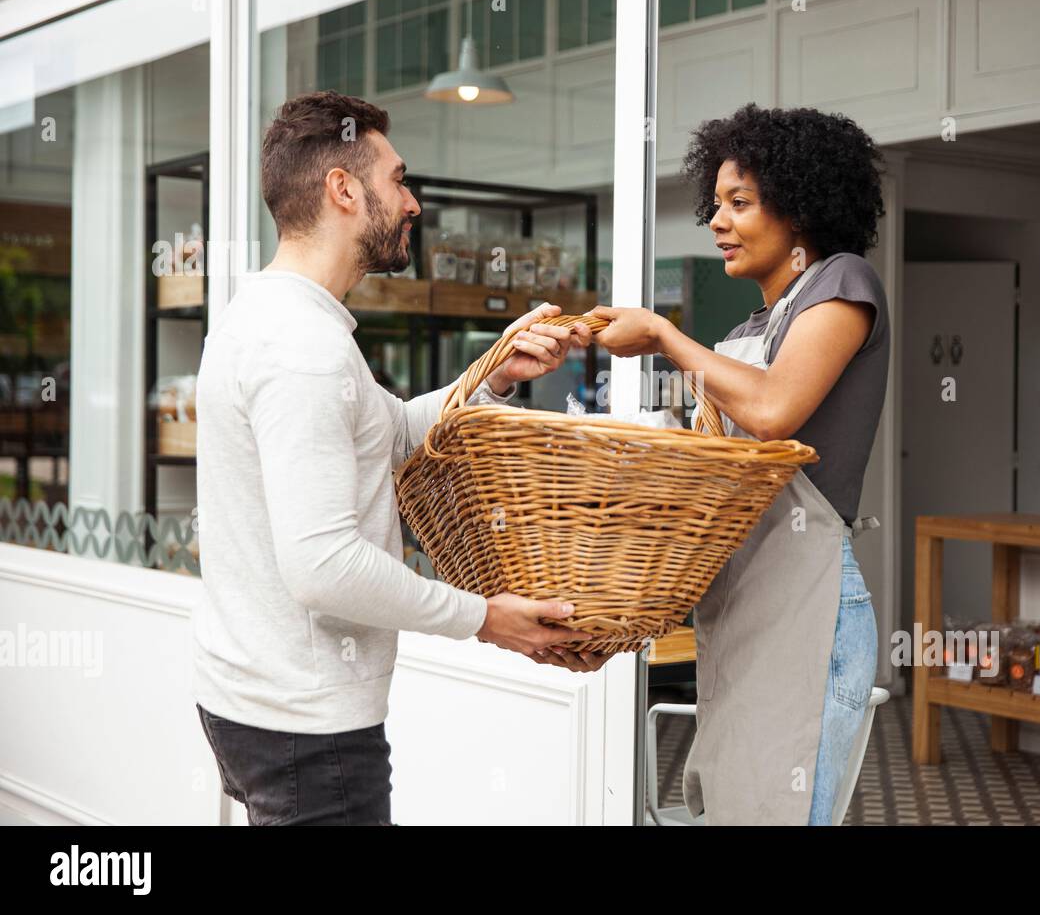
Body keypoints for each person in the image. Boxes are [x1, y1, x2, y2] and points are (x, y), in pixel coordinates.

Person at [193, 90, 592, 825]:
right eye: (398, 179)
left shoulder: (277, 319)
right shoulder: (302, 350)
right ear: (343, 190)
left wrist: (492, 373)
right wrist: (484, 617)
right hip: (307, 728)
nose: (411, 203)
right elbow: (324, 565)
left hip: (263, 705)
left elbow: (393, 430)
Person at [548, 103, 889, 825]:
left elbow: (772, 410)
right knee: (733, 809)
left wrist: (667, 337)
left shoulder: (843, 284)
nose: (717, 222)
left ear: (798, 208)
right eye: (716, 204)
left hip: (810, 606)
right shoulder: (747, 333)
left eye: (740, 202)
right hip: (742, 611)